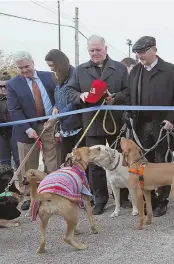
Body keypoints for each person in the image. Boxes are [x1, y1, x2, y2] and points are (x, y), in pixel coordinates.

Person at [65, 35, 131, 214]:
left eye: (98, 50)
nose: (95, 53)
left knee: (120, 159)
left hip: (115, 120)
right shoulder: (80, 70)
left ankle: (124, 196)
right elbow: (69, 91)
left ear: (105, 49)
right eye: (91, 50)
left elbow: (128, 90)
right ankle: (100, 198)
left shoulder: (120, 68)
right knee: (94, 162)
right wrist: (81, 96)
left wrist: (115, 97)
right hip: (92, 121)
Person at [124, 36, 174, 217]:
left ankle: (162, 201)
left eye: (143, 52)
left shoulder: (170, 70)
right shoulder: (135, 71)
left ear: (154, 49)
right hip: (141, 125)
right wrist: (127, 113)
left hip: (162, 125)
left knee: (162, 163)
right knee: (144, 164)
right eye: (137, 53)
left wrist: (171, 119)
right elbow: (129, 96)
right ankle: (147, 199)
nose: (140, 56)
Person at [6, 51, 57, 210]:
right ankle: (30, 195)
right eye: (20, 68)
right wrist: (27, 129)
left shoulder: (50, 77)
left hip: (50, 124)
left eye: (26, 66)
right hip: (26, 129)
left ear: (33, 63)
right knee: (29, 165)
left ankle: (53, 192)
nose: (24, 70)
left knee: (52, 161)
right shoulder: (12, 84)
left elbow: (59, 96)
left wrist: (57, 107)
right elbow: (14, 110)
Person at [44, 49, 83, 165]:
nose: (51, 69)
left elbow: (74, 102)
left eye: (52, 65)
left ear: (59, 63)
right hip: (65, 128)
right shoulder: (59, 78)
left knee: (78, 163)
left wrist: (56, 117)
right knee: (64, 162)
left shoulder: (75, 76)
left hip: (77, 127)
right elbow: (59, 98)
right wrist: (56, 107)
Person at [0, 72, 20, 170]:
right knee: (4, 163)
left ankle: (22, 184)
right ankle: (6, 185)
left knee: (19, 160)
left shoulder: (17, 97)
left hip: (16, 132)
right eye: (0, 86)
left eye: (6, 86)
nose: (3, 88)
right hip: (2, 134)